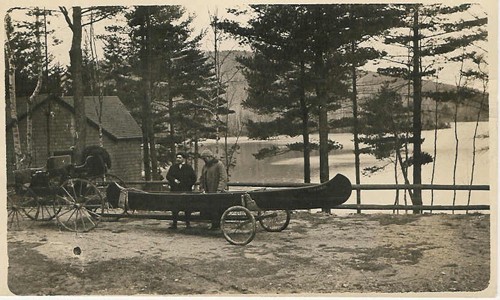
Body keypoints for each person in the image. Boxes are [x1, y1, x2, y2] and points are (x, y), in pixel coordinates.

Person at [166, 152, 197, 229]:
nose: (178, 159)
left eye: (180, 157)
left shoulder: (188, 167)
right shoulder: (173, 167)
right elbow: (168, 176)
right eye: (177, 157)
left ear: (183, 158)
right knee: (175, 208)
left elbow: (194, 178)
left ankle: (188, 224)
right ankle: (174, 224)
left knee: (187, 208)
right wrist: (174, 180)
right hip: (175, 190)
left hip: (186, 191)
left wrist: (188, 185)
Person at [199, 149, 228, 230]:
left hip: (217, 192)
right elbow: (201, 178)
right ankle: (214, 225)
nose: (204, 160)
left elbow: (223, 178)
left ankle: (218, 225)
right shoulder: (205, 167)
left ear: (210, 157)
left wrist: (219, 190)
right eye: (203, 159)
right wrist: (201, 188)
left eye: (205, 158)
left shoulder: (219, 164)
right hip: (208, 192)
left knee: (218, 209)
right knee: (211, 209)